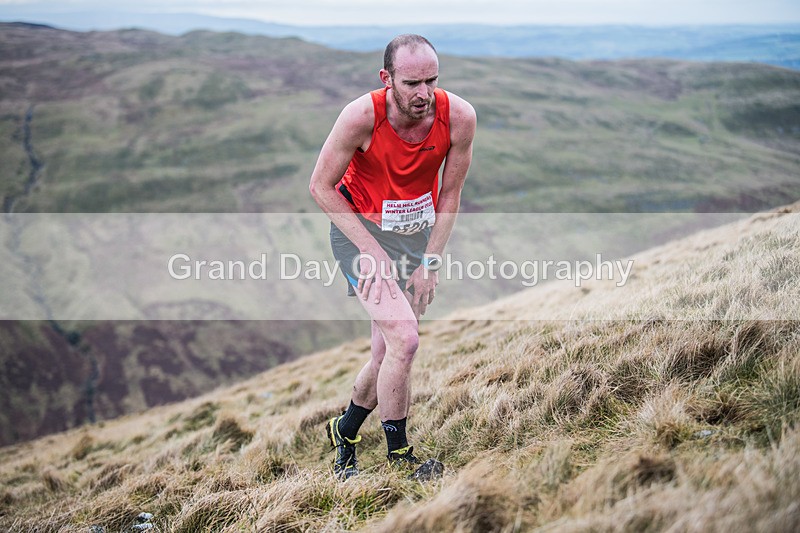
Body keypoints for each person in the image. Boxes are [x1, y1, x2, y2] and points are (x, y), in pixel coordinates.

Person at [309, 34, 476, 479]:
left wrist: (431, 263)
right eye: (411, 83)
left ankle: (344, 431)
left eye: (432, 81)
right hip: (358, 236)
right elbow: (320, 187)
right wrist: (371, 250)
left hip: (414, 239)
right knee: (406, 339)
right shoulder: (361, 117)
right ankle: (400, 459)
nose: (423, 94)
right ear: (387, 79)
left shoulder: (458, 118)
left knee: (387, 354)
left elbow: (451, 194)